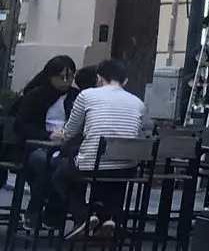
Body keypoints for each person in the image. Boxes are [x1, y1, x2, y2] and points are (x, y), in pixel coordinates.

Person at [51, 59, 148, 238]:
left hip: (91, 164)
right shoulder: (138, 103)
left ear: (98, 78)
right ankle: (107, 218)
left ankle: (83, 216)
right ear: (125, 81)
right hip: (125, 168)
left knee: (60, 172)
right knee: (110, 173)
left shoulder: (87, 96)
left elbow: (71, 131)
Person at [13, 55, 76, 228]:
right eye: (61, 77)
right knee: (47, 163)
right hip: (35, 146)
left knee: (64, 166)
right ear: (50, 76)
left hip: (65, 147)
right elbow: (20, 125)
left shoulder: (76, 97)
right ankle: (40, 210)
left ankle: (50, 210)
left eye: (69, 77)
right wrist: (47, 135)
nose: (65, 81)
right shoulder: (36, 95)